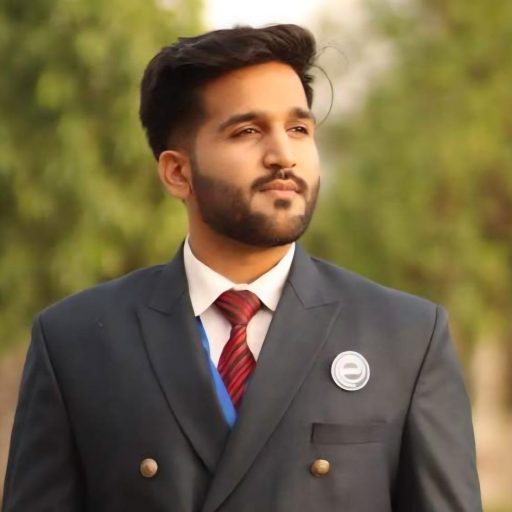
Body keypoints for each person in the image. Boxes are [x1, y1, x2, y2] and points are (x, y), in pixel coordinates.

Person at [2, 24, 482, 512]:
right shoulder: (76, 343)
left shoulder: (406, 338)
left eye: (298, 129)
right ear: (178, 172)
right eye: (248, 132)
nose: (283, 155)